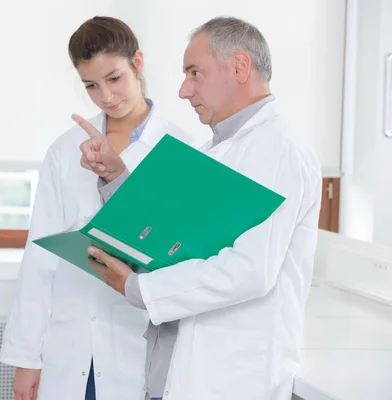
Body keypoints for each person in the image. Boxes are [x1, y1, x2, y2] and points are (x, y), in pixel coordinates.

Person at [75, 16, 322, 400]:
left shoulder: (278, 148)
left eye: (195, 73)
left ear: (239, 67)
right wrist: (117, 175)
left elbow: (250, 270)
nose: (183, 90)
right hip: (177, 369)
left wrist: (138, 288)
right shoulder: (212, 150)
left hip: (229, 375)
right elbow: (166, 236)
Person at [0, 16, 191, 400]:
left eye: (114, 78)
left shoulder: (178, 149)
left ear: (138, 62)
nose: (105, 95)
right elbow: (39, 261)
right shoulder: (65, 149)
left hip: (136, 346)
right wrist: (27, 358)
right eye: (91, 85)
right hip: (67, 348)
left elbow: (177, 256)